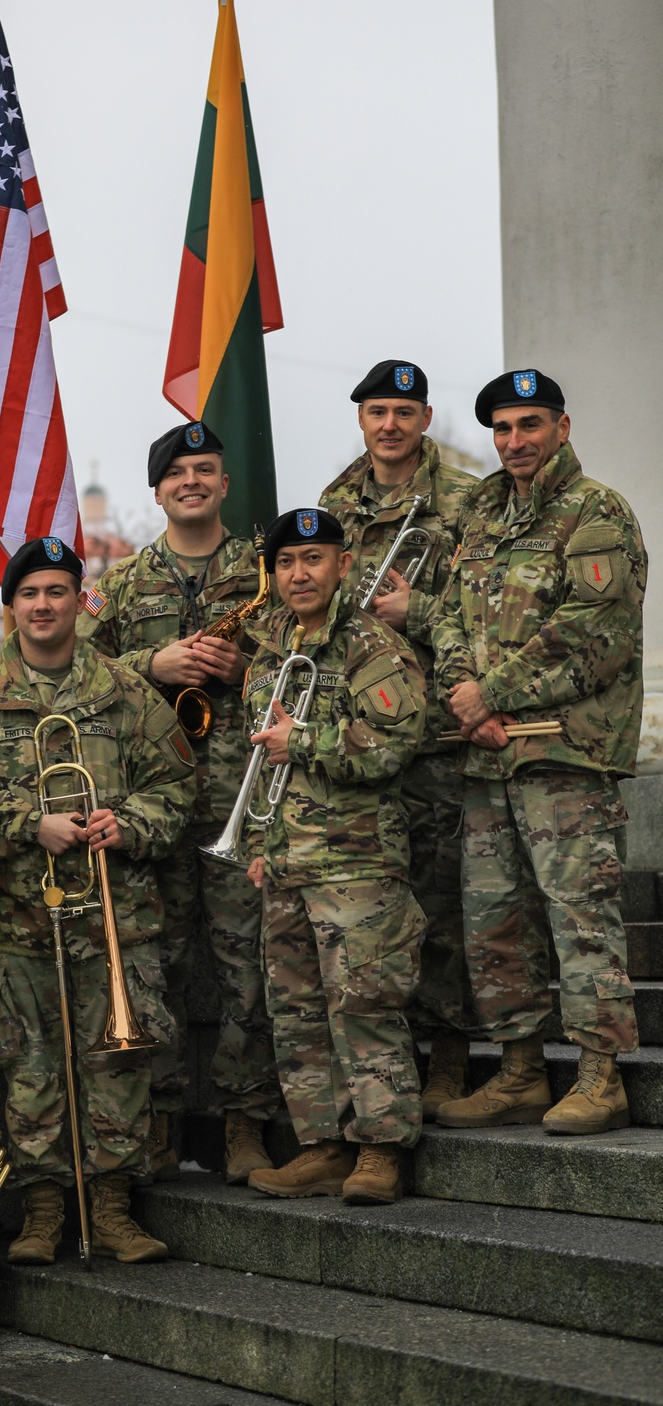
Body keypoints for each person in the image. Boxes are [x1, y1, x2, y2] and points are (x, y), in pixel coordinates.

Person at [0, 536, 195, 1264]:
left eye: (56, 591)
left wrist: (129, 821)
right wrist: (28, 823)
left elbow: (178, 788)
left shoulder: (126, 691)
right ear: (10, 606)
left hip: (116, 919)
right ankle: (44, 1213)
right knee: (29, 1067)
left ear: (80, 600)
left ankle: (112, 1209)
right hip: (17, 924)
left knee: (119, 1067)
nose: (43, 605)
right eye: (29, 594)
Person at [433, 369, 647, 1136]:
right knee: (494, 921)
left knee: (579, 917)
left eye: (529, 425)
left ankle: (601, 1076)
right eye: (501, 428)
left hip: (567, 754)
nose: (514, 441)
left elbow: (598, 635)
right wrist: (466, 696)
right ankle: (520, 1072)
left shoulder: (597, 512)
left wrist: (493, 693)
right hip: (488, 755)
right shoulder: (482, 515)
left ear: (562, 426)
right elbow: (449, 616)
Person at [76, 421, 280, 1185]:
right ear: (156, 492)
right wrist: (151, 662)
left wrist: (247, 662)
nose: (190, 482)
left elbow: (311, 657)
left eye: (205, 470)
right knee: (151, 968)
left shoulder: (267, 569)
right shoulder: (121, 584)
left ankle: (245, 1126)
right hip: (151, 806)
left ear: (225, 485)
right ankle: (157, 1123)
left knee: (247, 971)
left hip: (245, 801)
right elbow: (78, 672)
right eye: (176, 474)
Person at [243, 508, 427, 1205]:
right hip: (288, 864)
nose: (299, 573)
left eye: (314, 559)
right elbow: (261, 761)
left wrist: (309, 742)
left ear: (343, 565)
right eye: (287, 562)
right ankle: (320, 1145)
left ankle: (380, 1151)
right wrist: (261, 843)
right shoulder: (268, 653)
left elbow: (395, 741)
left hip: (358, 865)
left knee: (365, 1006)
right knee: (296, 1013)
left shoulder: (371, 645)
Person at [319, 360, 477, 1117]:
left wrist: (419, 610)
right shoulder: (334, 503)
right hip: (359, 734)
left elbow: (486, 611)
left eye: (404, 412)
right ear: (361, 419)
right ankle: (392, 1060)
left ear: (424, 419)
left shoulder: (468, 500)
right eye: (377, 410)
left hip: (438, 735)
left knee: (441, 904)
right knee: (378, 906)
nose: (390, 424)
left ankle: (448, 1055)